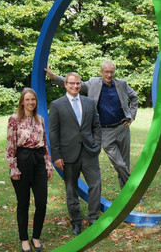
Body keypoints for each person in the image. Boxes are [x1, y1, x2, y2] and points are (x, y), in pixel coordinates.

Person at [45, 61, 138, 190]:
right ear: (101, 72)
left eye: (112, 72)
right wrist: (54, 77)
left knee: (125, 164)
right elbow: (74, 84)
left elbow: (134, 97)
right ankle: (133, 190)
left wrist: (131, 116)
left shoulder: (121, 84)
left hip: (122, 128)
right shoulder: (93, 83)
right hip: (105, 131)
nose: (109, 75)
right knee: (119, 164)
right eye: (106, 72)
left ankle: (125, 193)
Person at [48, 72, 102, 235]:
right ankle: (76, 222)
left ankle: (93, 219)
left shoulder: (89, 103)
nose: (75, 86)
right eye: (71, 83)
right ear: (65, 84)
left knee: (95, 185)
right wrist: (56, 156)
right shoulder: (57, 105)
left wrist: (97, 145)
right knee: (71, 189)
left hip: (89, 152)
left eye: (78, 83)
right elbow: (53, 133)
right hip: (68, 154)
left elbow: (96, 127)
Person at [5, 88, 53, 252]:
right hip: (22, 162)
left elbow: (45, 143)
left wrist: (48, 164)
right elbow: (10, 145)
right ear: (22, 102)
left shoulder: (40, 119)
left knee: (41, 202)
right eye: (27, 99)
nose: (31, 102)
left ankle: (36, 236)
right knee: (23, 203)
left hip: (39, 161)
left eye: (33, 99)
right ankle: (24, 239)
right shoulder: (14, 120)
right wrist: (13, 167)